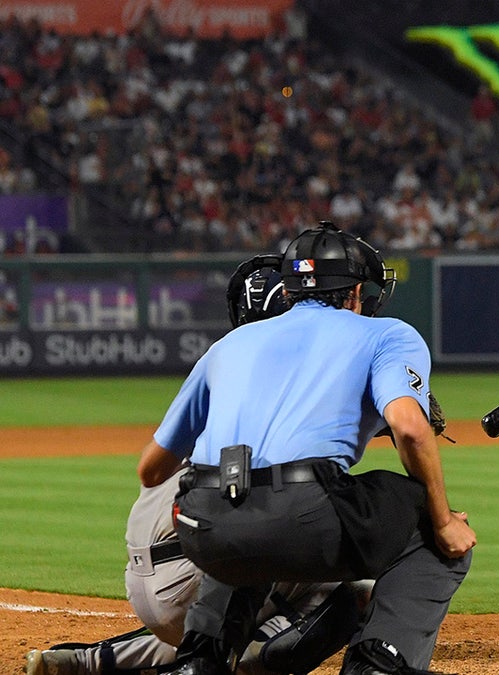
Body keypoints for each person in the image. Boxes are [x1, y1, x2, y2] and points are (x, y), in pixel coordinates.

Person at [138, 221, 475, 675]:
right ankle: (379, 662)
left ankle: (199, 661)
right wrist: (444, 520)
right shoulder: (387, 334)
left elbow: (151, 470)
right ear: (356, 292)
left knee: (240, 509)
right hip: (305, 512)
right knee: (426, 515)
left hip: (202, 525)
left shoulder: (229, 343)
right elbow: (411, 430)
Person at [25, 257, 372, 675]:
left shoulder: (226, 361)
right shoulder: (300, 383)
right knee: (348, 579)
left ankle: (88, 660)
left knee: (220, 608)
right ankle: (254, 660)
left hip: (147, 574)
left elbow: (150, 469)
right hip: (199, 572)